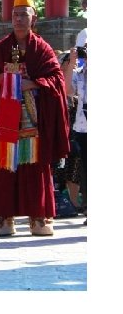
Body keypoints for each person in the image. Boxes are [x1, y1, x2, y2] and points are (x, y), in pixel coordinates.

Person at [0, 0, 70, 237]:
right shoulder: (1, 49)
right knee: (5, 166)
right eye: (15, 15)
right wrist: (5, 79)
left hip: (33, 118)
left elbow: (57, 79)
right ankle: (5, 218)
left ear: (33, 18)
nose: (19, 19)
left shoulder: (42, 48)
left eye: (24, 14)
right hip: (6, 118)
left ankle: (38, 217)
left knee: (35, 168)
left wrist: (32, 83)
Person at [64, 28, 86, 223]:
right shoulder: (79, 72)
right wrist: (71, 64)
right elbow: (68, 90)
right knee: (84, 168)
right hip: (82, 127)